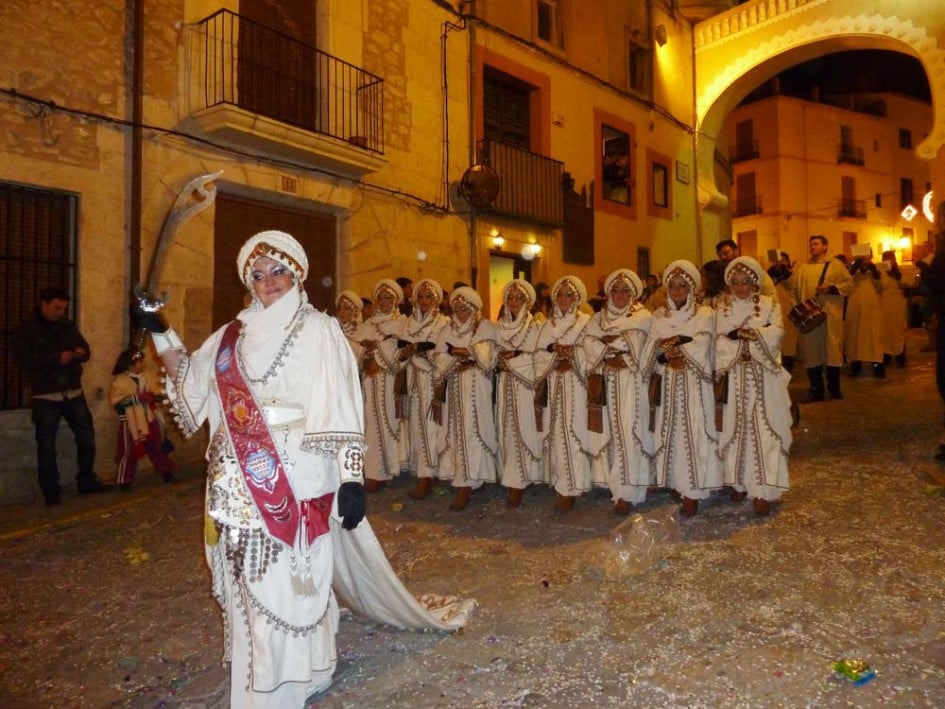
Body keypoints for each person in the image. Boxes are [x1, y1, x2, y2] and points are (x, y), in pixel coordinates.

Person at [135, 230, 471, 707]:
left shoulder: (319, 328)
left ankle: (294, 677)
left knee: (293, 579)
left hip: (297, 474)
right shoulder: (232, 334)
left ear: (296, 274)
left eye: (278, 271)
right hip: (233, 479)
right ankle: (264, 671)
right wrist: (158, 327)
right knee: (245, 576)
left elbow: (341, 406)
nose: (268, 281)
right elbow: (191, 384)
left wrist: (352, 477)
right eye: (258, 274)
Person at [12, 286, 110, 505]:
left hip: (73, 392)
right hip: (46, 396)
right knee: (46, 445)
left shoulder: (67, 325)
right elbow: (23, 359)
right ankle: (51, 492)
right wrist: (56, 358)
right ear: (43, 304)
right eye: (56, 308)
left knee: (87, 437)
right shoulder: (26, 329)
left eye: (63, 308)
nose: (60, 313)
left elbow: (84, 346)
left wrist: (81, 352)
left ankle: (86, 481)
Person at [715, 257, 792, 515]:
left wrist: (746, 336)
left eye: (745, 282)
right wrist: (749, 339)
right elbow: (718, 342)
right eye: (735, 282)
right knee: (735, 429)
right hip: (734, 376)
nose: (740, 288)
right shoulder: (722, 307)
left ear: (755, 282)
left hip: (763, 377)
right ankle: (737, 481)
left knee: (765, 430)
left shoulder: (769, 305)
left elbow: (777, 333)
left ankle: (764, 488)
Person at [643, 260, 720, 517]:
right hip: (667, 383)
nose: (677, 290)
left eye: (682, 286)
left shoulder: (704, 314)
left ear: (692, 288)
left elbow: (702, 345)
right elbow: (651, 350)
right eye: (672, 286)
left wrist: (671, 347)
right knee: (670, 433)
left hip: (693, 385)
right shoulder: (658, 317)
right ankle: (677, 483)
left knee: (694, 434)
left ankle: (693, 491)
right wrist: (670, 349)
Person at [582, 269, 653, 515]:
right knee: (609, 434)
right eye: (615, 290)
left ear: (633, 293)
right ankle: (613, 485)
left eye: (625, 290)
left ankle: (628, 490)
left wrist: (608, 344)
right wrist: (613, 348)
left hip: (631, 382)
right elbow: (588, 344)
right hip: (605, 382)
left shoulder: (643, 316)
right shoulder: (597, 319)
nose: (620, 294)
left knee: (629, 433)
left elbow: (637, 343)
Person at [431, 287, 498, 510]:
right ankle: (464, 478)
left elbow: (487, 356)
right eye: (457, 309)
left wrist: (464, 353)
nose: (461, 313)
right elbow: (439, 357)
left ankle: (471, 481)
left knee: (475, 431)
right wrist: (464, 355)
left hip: (476, 388)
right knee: (457, 432)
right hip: (454, 388)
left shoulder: (485, 326)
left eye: (465, 309)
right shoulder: (447, 329)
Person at [534, 275, 593, 512]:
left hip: (577, 386)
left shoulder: (586, 322)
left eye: (569, 295)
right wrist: (554, 359)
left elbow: (592, 351)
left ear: (577, 297)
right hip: (553, 385)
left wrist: (573, 357)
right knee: (556, 434)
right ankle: (561, 483)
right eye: (560, 294)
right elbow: (538, 355)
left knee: (573, 433)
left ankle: (573, 487)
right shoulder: (548, 325)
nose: (564, 299)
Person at [493, 279, 544, 508]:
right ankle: (513, 477)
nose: (514, 302)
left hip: (525, 387)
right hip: (505, 385)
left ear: (527, 302)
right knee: (507, 430)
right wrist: (499, 360)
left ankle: (522, 479)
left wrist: (512, 360)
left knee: (524, 429)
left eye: (519, 298)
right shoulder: (500, 326)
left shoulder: (535, 326)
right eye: (510, 298)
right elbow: (491, 353)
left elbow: (537, 357)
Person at [398, 278, 451, 500]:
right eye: (420, 297)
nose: (424, 301)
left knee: (431, 427)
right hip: (412, 381)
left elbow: (441, 353)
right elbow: (400, 349)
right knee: (417, 427)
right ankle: (424, 471)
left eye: (429, 296)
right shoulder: (408, 323)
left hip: (432, 381)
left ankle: (428, 474)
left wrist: (420, 352)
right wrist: (408, 352)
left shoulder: (443, 323)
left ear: (437, 299)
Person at [353, 280, 406, 492]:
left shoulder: (403, 323)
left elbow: (402, 350)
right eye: (381, 298)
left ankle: (391, 468)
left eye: (388, 298)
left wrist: (379, 355)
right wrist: (366, 358)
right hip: (370, 381)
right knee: (372, 424)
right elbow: (355, 348)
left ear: (396, 300)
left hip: (391, 380)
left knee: (391, 423)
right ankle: (375, 472)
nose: (384, 302)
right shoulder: (367, 325)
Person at [792, 235, 853, 401]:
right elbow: (795, 291)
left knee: (832, 349)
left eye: (816, 244)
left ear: (825, 246)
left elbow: (849, 284)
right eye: (811, 244)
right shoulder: (803, 268)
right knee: (812, 352)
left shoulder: (836, 265)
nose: (812, 247)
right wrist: (800, 310)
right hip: (810, 317)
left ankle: (834, 388)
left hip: (830, 314)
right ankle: (816, 389)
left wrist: (831, 288)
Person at [108, 348, 176, 491]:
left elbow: (148, 394)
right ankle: (124, 480)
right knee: (129, 451)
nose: (143, 363)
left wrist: (154, 397)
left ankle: (166, 471)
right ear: (130, 364)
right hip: (131, 422)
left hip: (149, 418)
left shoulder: (144, 378)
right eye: (140, 361)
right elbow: (117, 403)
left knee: (157, 447)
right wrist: (137, 398)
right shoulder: (119, 381)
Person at [845, 252, 886, 378]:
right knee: (854, 334)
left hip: (871, 306)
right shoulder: (850, 269)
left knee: (873, 335)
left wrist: (874, 272)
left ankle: (877, 365)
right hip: (855, 304)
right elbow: (845, 285)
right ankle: (855, 365)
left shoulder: (877, 268)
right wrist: (853, 269)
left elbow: (882, 286)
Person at [879, 250, 908, 367]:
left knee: (898, 331)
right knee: (884, 331)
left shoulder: (900, 270)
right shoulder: (879, 270)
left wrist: (897, 274)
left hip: (897, 304)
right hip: (883, 304)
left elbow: (909, 283)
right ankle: (886, 355)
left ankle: (900, 356)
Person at [767, 262, 797, 372]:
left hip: (780, 322)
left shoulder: (776, 288)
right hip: (788, 321)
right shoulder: (791, 285)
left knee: (783, 351)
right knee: (788, 350)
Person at [334, 290, 363, 357]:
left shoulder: (363, 331)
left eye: (346, 308)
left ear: (354, 311)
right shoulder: (334, 331)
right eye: (339, 308)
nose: (342, 312)